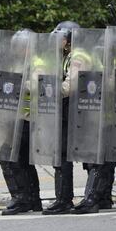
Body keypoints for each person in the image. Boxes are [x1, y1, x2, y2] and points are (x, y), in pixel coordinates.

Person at [0, 29, 42, 215]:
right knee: (23, 160)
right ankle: (32, 199)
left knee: (8, 156)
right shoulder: (18, 63)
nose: (16, 50)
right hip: (16, 119)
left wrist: (19, 83)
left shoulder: (37, 64)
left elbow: (37, 86)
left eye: (18, 47)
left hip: (29, 119)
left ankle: (21, 198)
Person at [42, 21, 80, 215]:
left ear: (69, 40)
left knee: (68, 156)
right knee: (60, 155)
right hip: (62, 111)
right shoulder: (61, 57)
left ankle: (66, 199)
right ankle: (62, 198)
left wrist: (49, 90)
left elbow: (69, 86)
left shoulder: (77, 57)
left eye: (61, 37)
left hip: (75, 112)